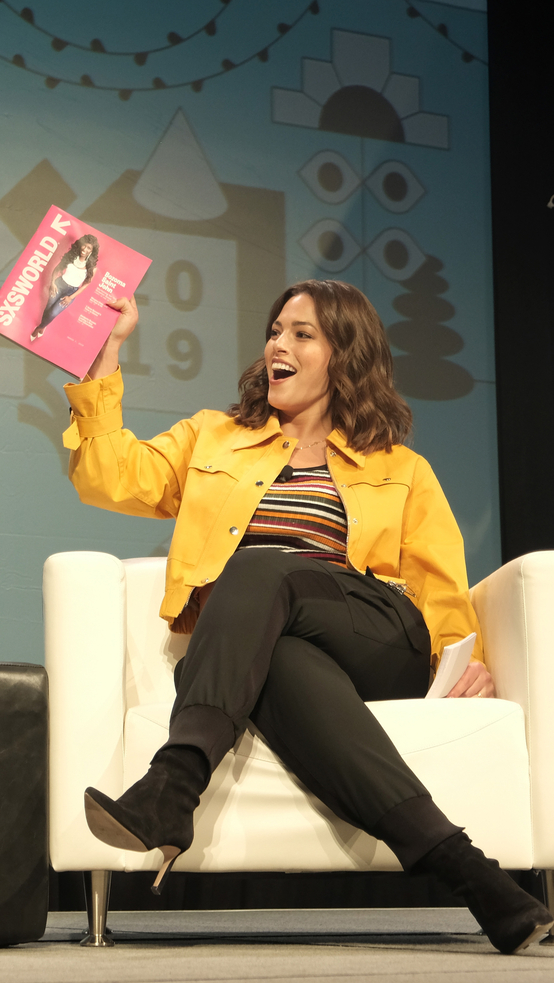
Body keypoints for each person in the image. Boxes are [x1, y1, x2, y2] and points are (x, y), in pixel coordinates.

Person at [63, 281, 553, 955]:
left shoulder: (400, 467)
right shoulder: (212, 438)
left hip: (377, 635)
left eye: (302, 334)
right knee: (280, 661)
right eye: (275, 331)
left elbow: (438, 582)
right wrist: (105, 355)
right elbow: (107, 475)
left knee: (258, 566)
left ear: (344, 355)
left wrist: (464, 660)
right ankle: (477, 879)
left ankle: (174, 780)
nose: (278, 345)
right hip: (272, 645)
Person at [31, 234, 99, 341]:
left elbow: (86, 284)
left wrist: (70, 297)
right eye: (84, 245)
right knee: (48, 307)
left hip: (71, 292)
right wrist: (53, 283)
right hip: (59, 284)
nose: (85, 249)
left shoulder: (92, 268)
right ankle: (43, 326)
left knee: (53, 312)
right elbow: (57, 269)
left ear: (92, 251)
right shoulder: (71, 256)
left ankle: (40, 327)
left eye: (88, 248)